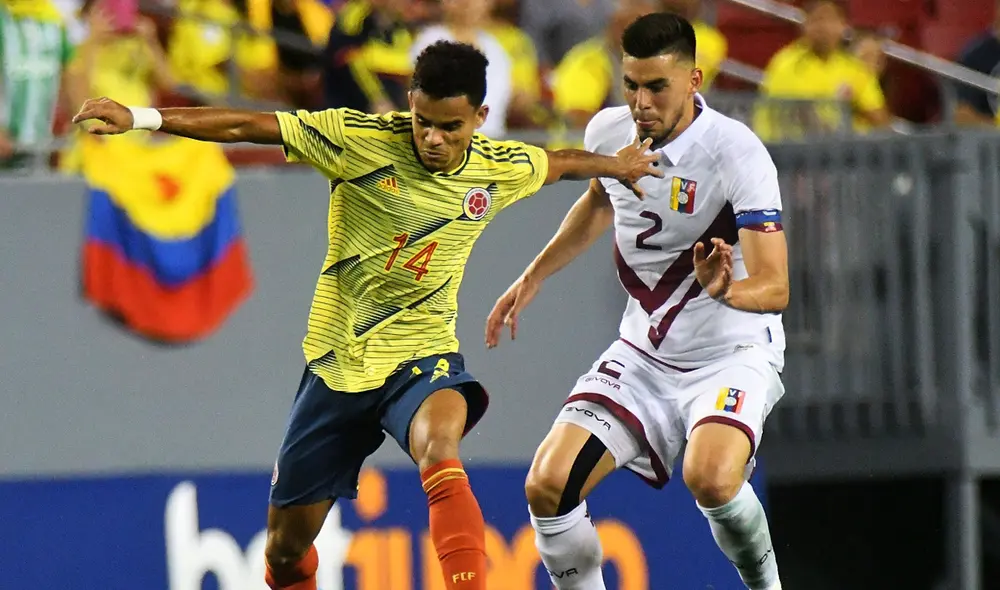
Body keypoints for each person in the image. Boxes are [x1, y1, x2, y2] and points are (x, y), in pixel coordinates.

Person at [72, 40, 661, 590]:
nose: (432, 138)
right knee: (282, 549)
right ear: (410, 104)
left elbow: (557, 163)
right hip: (338, 364)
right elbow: (250, 125)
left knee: (441, 444)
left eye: (449, 127)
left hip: (421, 354)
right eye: (423, 121)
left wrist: (618, 166)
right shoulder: (358, 139)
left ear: (480, 118)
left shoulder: (498, 166)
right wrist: (145, 118)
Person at [485, 13, 787, 590]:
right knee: (547, 486)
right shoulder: (608, 132)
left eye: (656, 87)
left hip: (732, 352)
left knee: (712, 478)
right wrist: (535, 274)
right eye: (631, 85)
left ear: (694, 79)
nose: (640, 102)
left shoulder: (735, 153)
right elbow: (601, 202)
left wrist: (725, 288)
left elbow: (776, 286)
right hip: (645, 351)